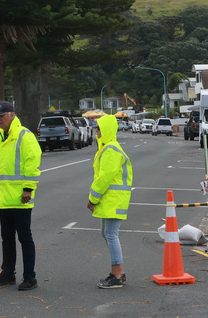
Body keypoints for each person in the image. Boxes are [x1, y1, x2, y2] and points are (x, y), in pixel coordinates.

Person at [0, 101, 41, 291]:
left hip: (20, 198)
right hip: (4, 198)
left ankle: (30, 277)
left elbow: (32, 162)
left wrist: (28, 188)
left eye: (1, 115)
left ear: (12, 115)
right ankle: (8, 273)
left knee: (25, 238)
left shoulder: (25, 135)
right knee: (7, 238)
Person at [87, 113, 133, 288]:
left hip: (113, 199)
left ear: (105, 129)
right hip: (111, 199)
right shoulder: (108, 148)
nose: (96, 130)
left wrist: (92, 198)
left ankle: (117, 274)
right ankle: (117, 272)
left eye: (98, 128)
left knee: (111, 235)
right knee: (107, 234)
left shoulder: (111, 150)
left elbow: (103, 179)